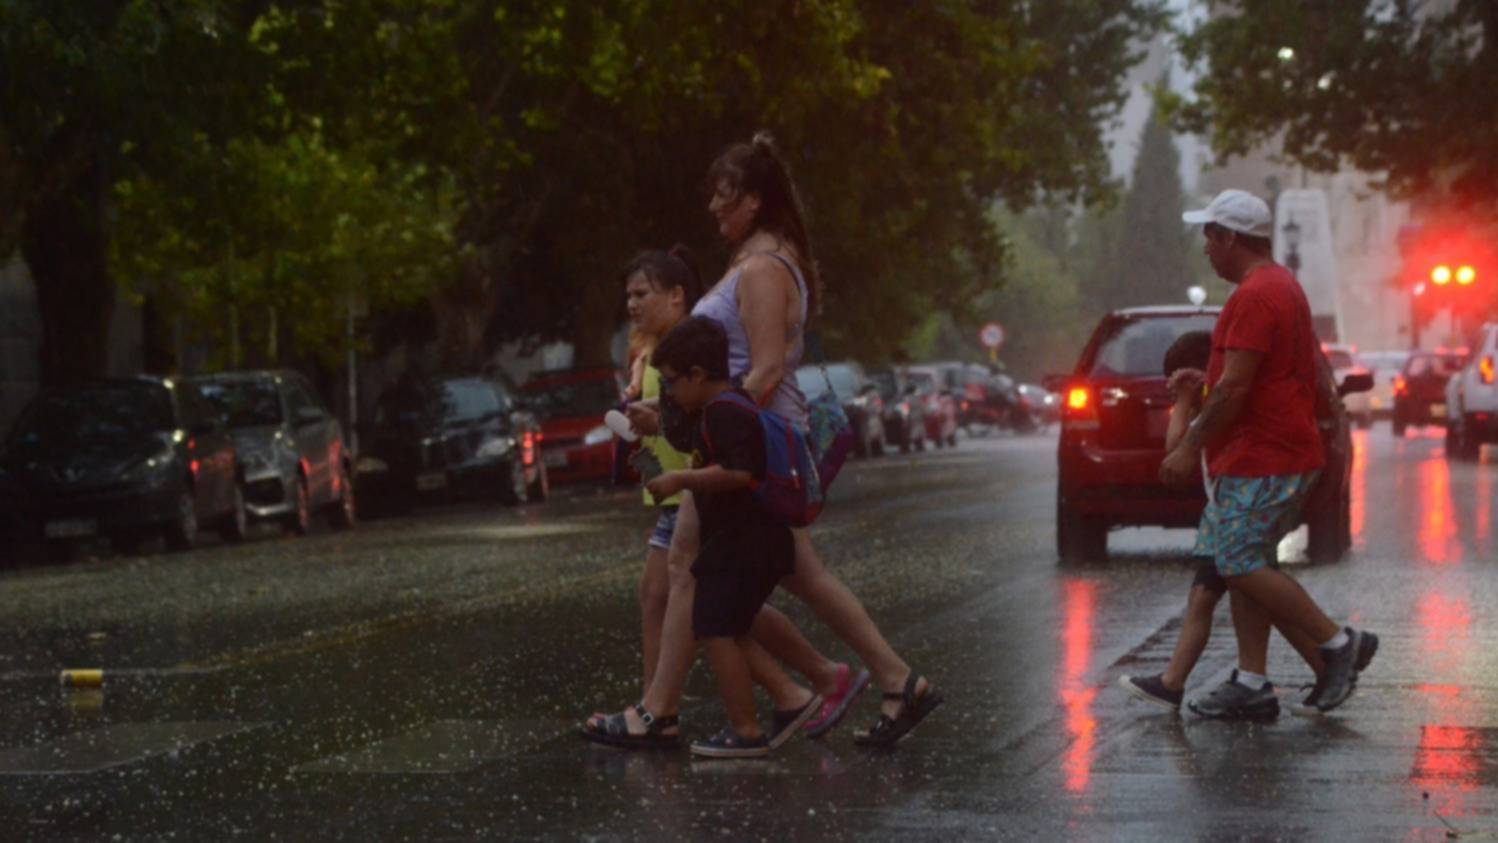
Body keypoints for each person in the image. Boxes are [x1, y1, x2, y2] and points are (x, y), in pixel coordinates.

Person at [586, 131, 937, 749]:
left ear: (753, 200)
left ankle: (662, 711)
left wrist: (707, 424)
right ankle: (891, 678)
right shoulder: (757, 262)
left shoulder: (765, 269)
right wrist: (670, 407)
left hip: (755, 445)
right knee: (760, 571)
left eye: (724, 197)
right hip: (748, 438)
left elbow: (767, 369)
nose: (713, 209)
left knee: (698, 568)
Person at [1159, 189, 1377, 717]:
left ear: (1231, 237)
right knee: (1244, 563)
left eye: (1211, 236)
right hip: (1265, 454)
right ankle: (1252, 681)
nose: (1207, 249)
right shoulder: (1278, 286)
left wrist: (1190, 446)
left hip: (1268, 455)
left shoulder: (1257, 295)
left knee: (1236, 561)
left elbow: (1236, 389)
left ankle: (1337, 642)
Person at [1120, 331, 1372, 718]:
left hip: (1237, 507)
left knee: (1217, 594)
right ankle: (1319, 668)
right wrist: (1186, 400)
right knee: (1257, 594)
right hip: (1226, 508)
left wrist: (1190, 399)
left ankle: (1176, 683)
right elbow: (1176, 450)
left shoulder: (1225, 403)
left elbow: (1175, 450)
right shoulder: (1212, 403)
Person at [638, 315, 810, 757]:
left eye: (672, 383)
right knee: (726, 627)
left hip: (746, 540)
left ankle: (746, 729)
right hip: (743, 540)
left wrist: (681, 480)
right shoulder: (718, 408)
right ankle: (786, 704)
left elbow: (740, 472)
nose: (670, 394)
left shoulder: (725, 411)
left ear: (697, 375)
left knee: (715, 628)